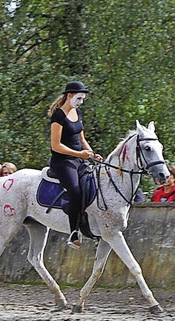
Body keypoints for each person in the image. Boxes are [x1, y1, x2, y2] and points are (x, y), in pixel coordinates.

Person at [48, 81, 102, 249]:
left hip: (80, 159)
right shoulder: (58, 116)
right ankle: (74, 232)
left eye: (83, 99)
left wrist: (92, 154)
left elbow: (81, 139)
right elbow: (55, 145)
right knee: (76, 191)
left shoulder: (77, 112)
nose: (81, 102)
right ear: (69, 96)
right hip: (62, 161)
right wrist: (80, 154)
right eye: (79, 98)